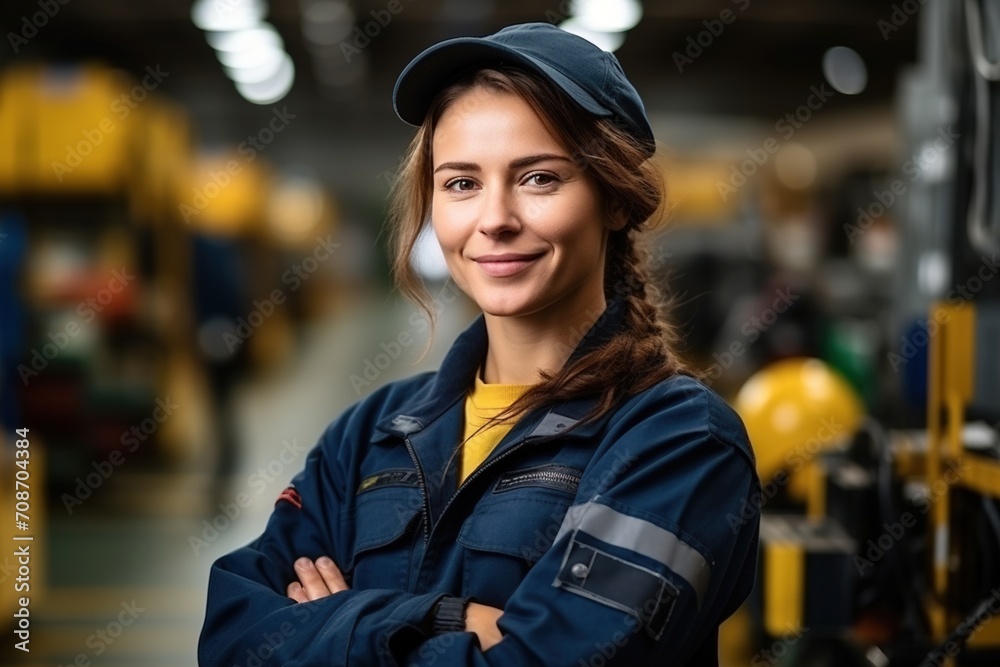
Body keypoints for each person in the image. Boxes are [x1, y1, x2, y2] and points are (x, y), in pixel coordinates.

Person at [198, 22, 760, 667]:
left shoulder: (679, 445)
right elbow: (233, 636)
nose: (494, 219)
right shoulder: (368, 438)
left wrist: (335, 621)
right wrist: (444, 618)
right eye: (462, 183)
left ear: (614, 200)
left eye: (539, 179)